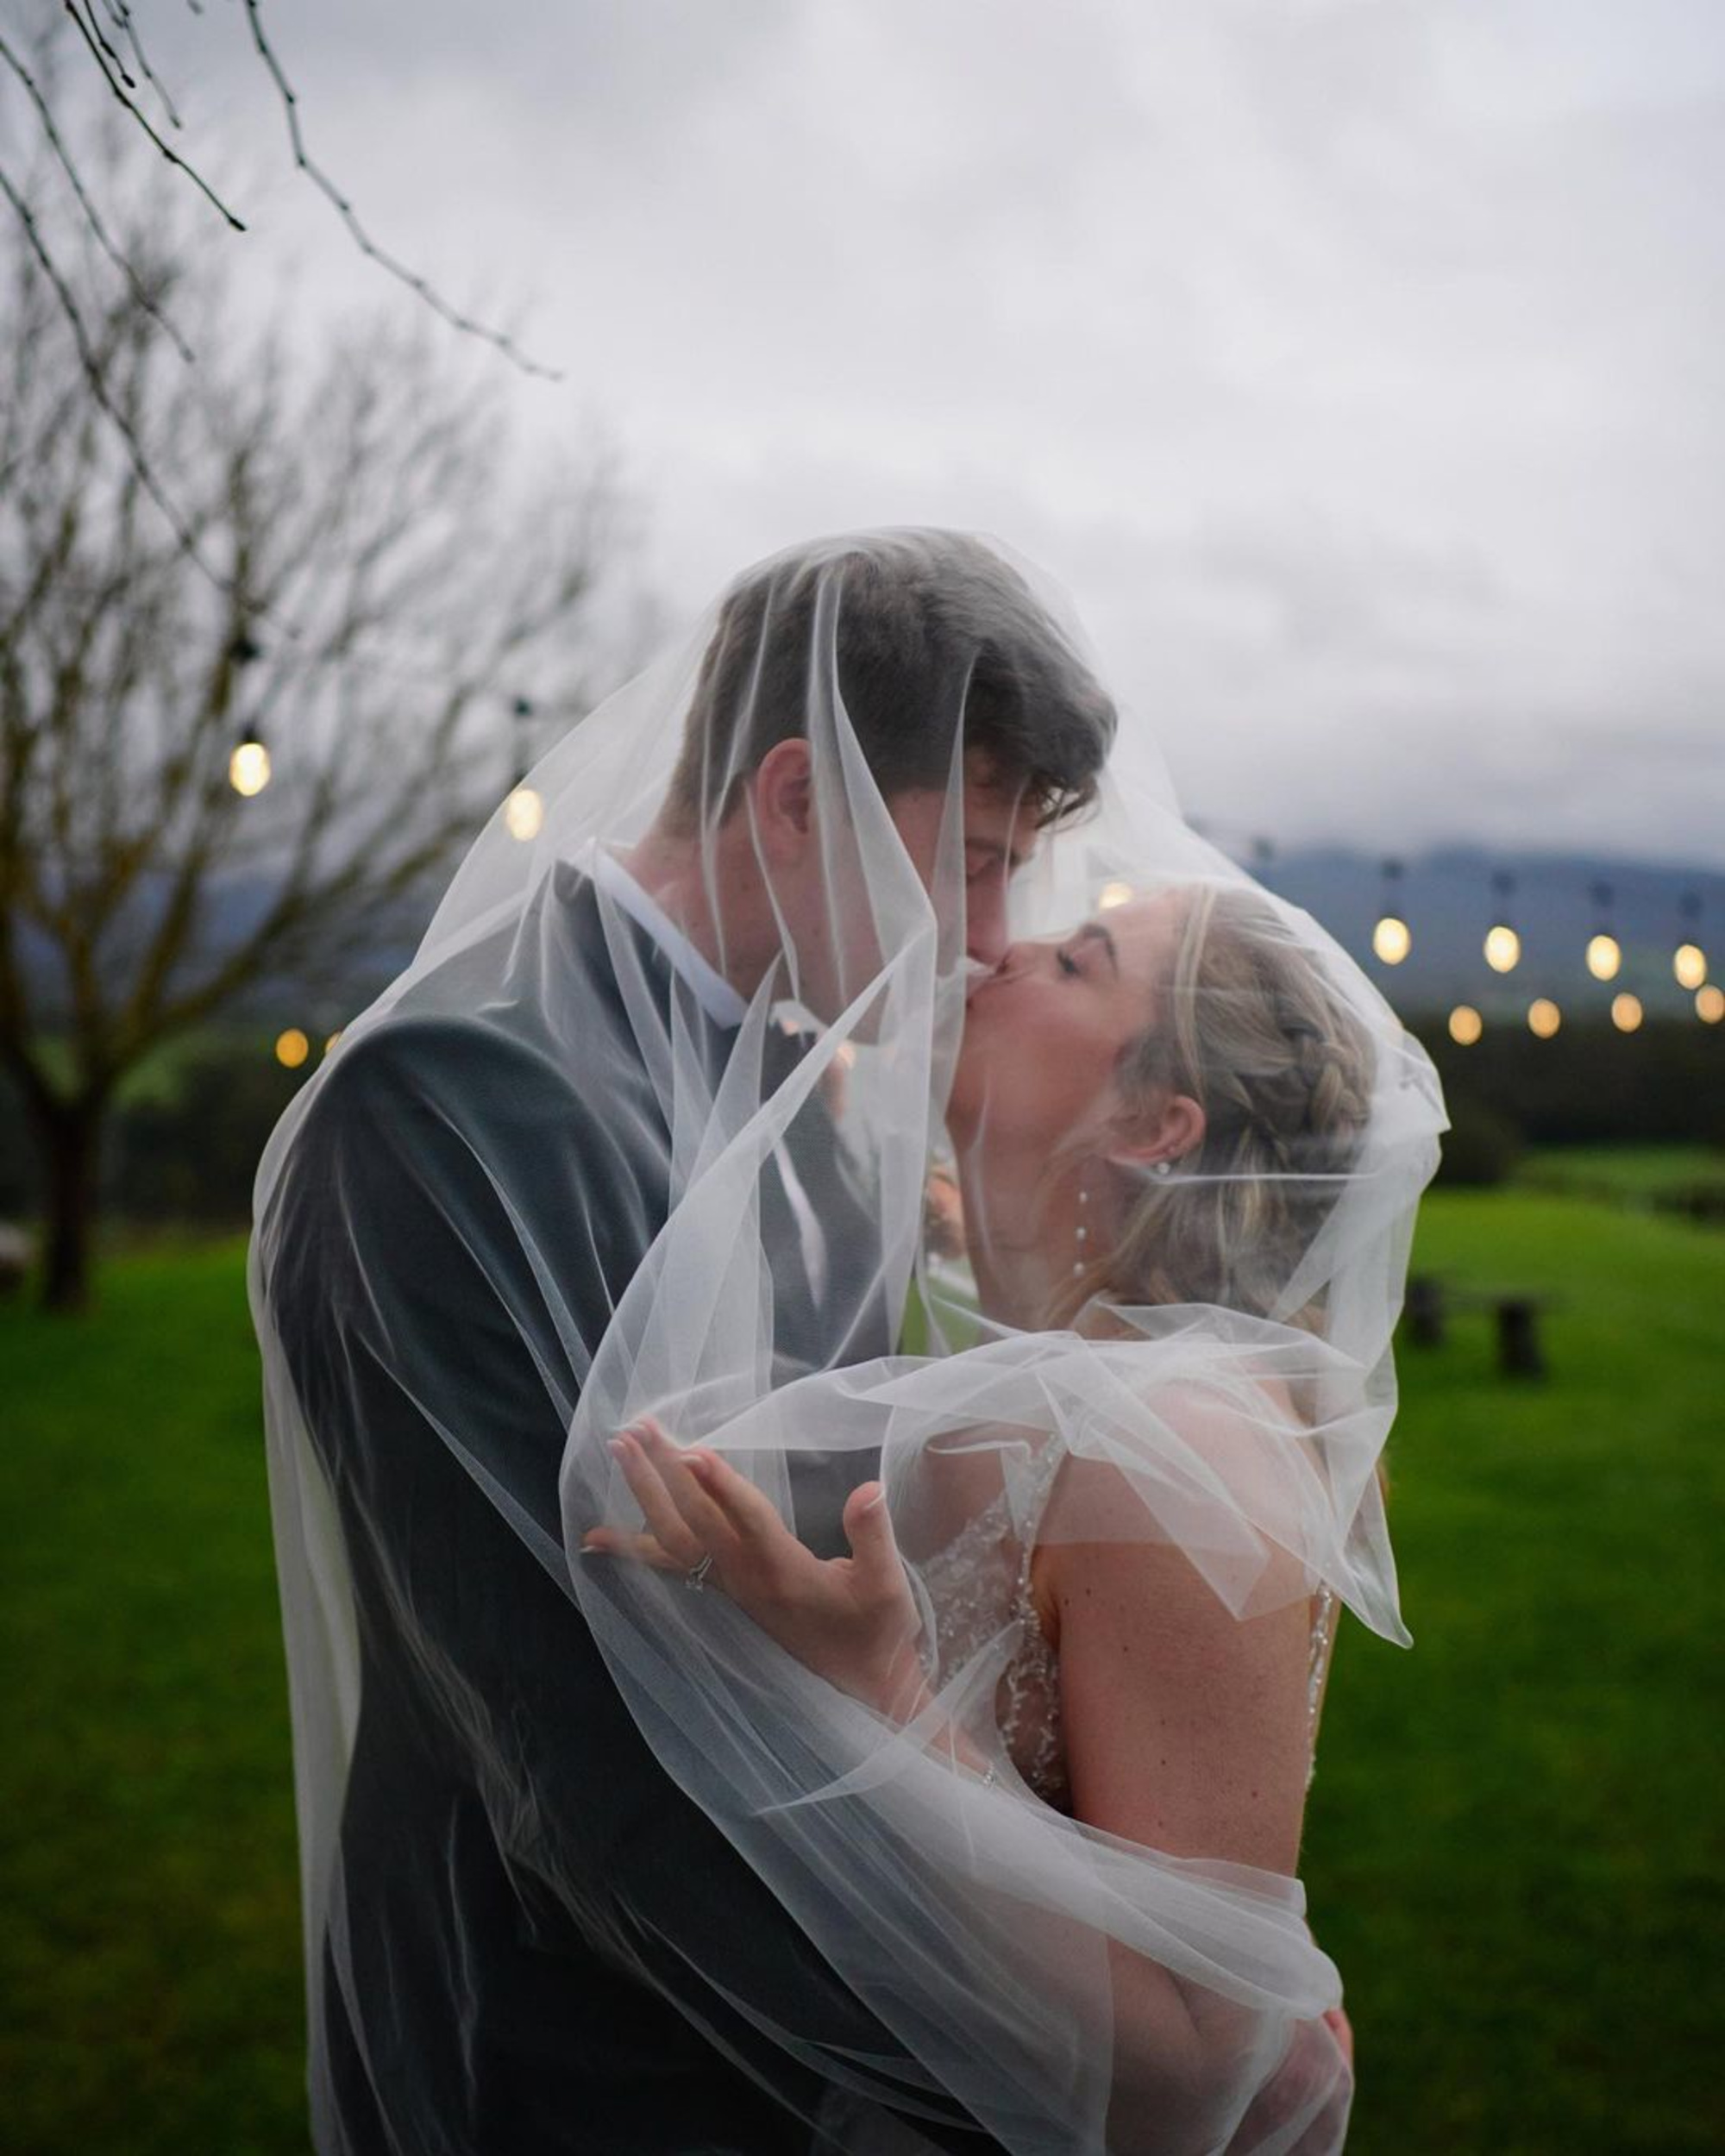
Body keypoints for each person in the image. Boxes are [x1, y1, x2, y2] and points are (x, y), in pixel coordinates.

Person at [250, 530, 1118, 2155]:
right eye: (974, 857)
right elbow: (559, 1729)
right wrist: (977, 2059)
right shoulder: (439, 1105)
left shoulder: (801, 1105)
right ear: (796, 799)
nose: (997, 933)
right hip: (567, 2047)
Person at [586, 879, 1441, 2151]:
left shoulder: (1177, 1448)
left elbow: (1193, 2078)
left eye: (1075, 960)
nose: (993, 952)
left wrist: (877, 1684)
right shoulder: (1030, 1365)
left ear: (1153, 1121)